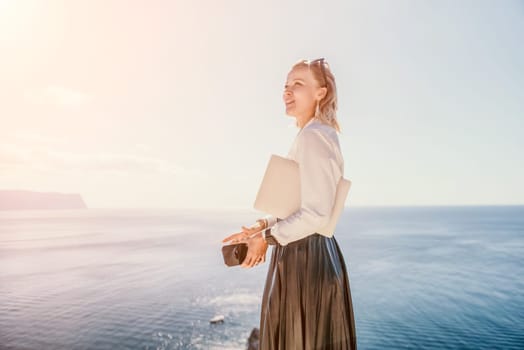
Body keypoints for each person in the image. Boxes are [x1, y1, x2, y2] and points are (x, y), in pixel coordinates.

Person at [222, 58, 357, 349]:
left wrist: (266, 239)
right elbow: (300, 205)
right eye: (285, 86)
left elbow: (316, 214)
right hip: (308, 254)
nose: (287, 92)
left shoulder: (313, 137)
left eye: (298, 84)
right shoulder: (315, 134)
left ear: (320, 92)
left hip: (305, 260)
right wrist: (261, 227)